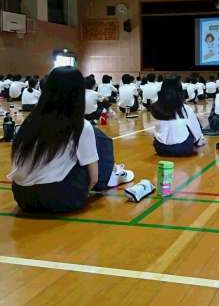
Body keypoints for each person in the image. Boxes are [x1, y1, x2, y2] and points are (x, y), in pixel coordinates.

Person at [9, 67, 134, 214]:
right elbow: (93, 179)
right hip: (60, 197)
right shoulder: (80, 125)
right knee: (100, 139)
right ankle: (113, 174)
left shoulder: (29, 122)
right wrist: (82, 191)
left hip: (22, 196)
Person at [151, 75, 205, 156]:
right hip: (182, 149)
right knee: (191, 124)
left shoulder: (156, 107)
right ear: (179, 91)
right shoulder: (185, 109)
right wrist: (200, 141)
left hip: (160, 148)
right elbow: (195, 130)